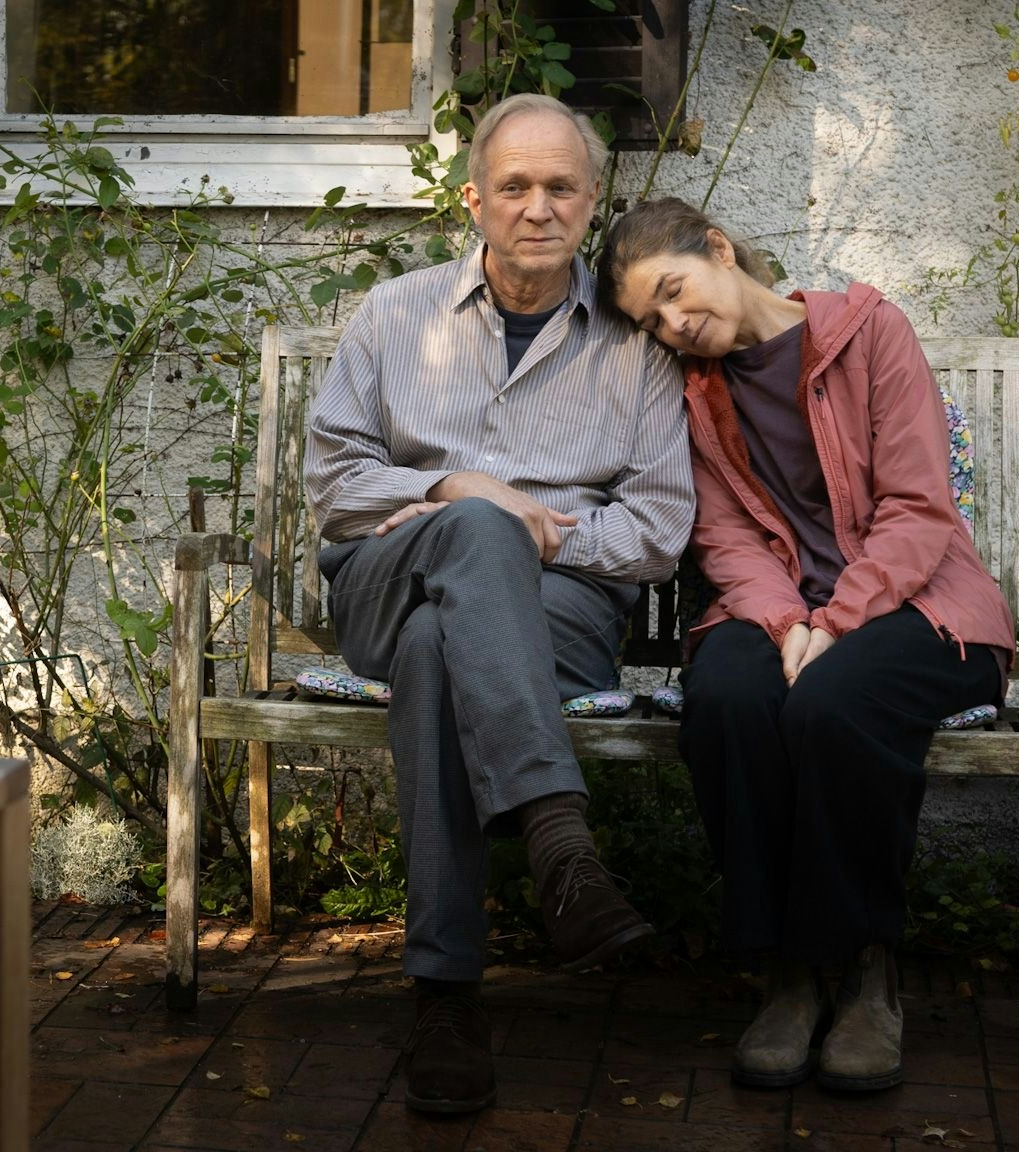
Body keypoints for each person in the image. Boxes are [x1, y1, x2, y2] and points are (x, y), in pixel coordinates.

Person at [304, 95, 695, 1114]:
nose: (537, 207)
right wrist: (455, 494)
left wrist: (542, 534)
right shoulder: (394, 315)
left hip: (561, 608)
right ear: (474, 199)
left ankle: (444, 999)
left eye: (560, 186)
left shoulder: (637, 347)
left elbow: (656, 527)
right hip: (386, 583)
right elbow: (336, 485)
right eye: (514, 186)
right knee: (470, 534)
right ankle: (561, 846)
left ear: (593, 199)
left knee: (447, 644)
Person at [596, 198, 1015, 1092]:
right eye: (651, 320)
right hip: (779, 609)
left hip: (919, 605)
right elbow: (724, 539)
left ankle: (866, 967)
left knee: (832, 705)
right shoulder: (693, 393)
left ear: (717, 249)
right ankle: (785, 972)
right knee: (731, 699)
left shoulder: (869, 332)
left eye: (673, 291)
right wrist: (789, 623)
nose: (675, 324)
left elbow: (917, 508)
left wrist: (837, 621)